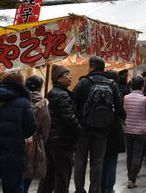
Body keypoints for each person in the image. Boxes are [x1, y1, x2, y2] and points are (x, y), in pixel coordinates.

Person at [72, 56, 125, 193]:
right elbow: (119, 109)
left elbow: (72, 104)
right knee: (97, 162)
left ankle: (79, 189)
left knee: (80, 161)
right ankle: (94, 189)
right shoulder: (111, 84)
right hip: (102, 130)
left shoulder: (83, 82)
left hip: (83, 129)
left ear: (92, 67)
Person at [38, 65, 80, 193]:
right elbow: (68, 118)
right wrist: (79, 130)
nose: (70, 76)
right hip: (62, 140)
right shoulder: (63, 95)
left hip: (51, 139)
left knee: (49, 173)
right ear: (59, 79)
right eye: (67, 75)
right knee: (62, 174)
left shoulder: (52, 93)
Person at [123, 76, 146, 189]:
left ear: (131, 86)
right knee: (137, 155)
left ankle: (129, 177)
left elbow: (125, 110)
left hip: (128, 130)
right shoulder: (145, 99)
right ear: (143, 86)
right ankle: (132, 179)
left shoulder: (126, 98)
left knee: (130, 155)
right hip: (141, 131)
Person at [99, 70, 125, 193]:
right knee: (112, 160)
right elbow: (121, 113)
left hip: (98, 129)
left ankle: (100, 185)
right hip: (113, 129)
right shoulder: (116, 93)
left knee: (100, 159)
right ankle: (108, 188)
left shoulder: (97, 90)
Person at [24, 76, 51, 193]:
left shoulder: (18, 99)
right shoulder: (43, 105)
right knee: (28, 174)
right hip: (34, 143)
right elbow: (46, 128)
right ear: (40, 88)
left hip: (16, 141)